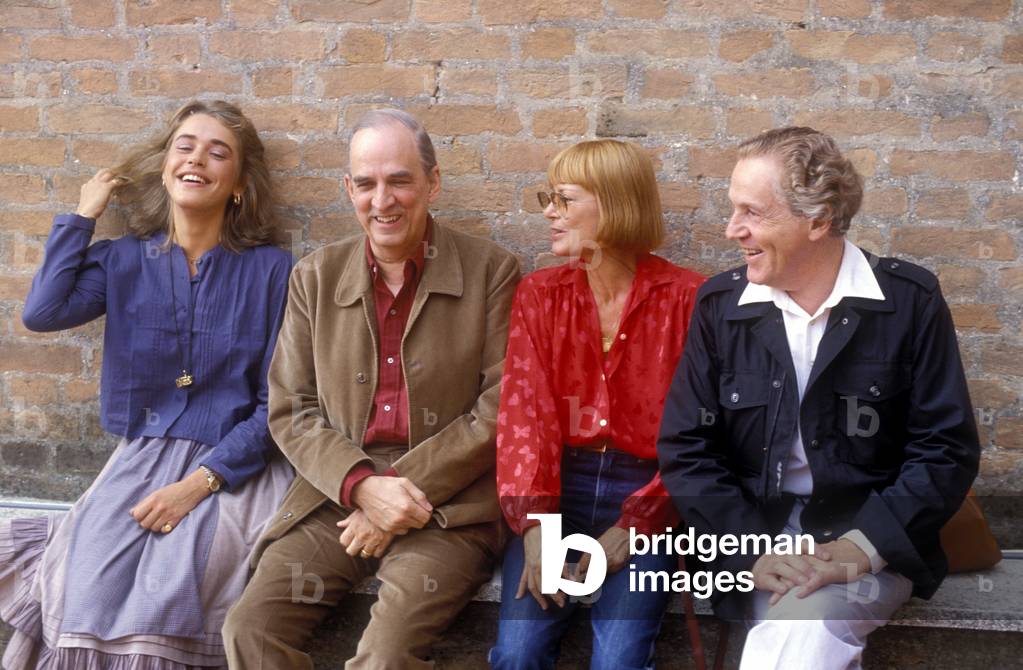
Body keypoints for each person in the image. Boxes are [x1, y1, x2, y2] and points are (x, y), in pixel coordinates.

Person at [657, 126, 979, 670]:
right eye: (734, 209)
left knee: (804, 628)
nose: (733, 230)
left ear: (819, 220)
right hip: (754, 531)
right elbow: (687, 448)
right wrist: (750, 548)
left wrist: (863, 546)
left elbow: (945, 450)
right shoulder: (721, 307)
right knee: (800, 632)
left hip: (873, 531)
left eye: (752, 212)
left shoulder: (908, 302)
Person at [222, 108, 520, 669]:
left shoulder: (491, 271)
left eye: (400, 180)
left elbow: (500, 408)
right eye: (366, 183)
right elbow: (291, 408)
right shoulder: (315, 276)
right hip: (336, 496)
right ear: (349, 189)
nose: (382, 200)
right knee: (250, 629)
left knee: (385, 655)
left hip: (446, 507)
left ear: (433, 182)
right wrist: (362, 486)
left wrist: (396, 492)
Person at [0, 100, 294, 668]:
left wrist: (200, 484)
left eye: (218, 152)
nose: (197, 159)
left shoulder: (272, 271)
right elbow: (43, 311)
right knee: (82, 585)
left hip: (234, 465)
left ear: (236, 183)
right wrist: (84, 215)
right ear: (165, 166)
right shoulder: (122, 260)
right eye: (184, 145)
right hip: (138, 458)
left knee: (171, 591)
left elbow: (277, 404)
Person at [490, 139, 705, 670]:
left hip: (651, 494)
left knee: (619, 660)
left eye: (563, 199)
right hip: (559, 488)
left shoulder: (689, 299)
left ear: (613, 204)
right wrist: (537, 527)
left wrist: (634, 525)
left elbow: (700, 435)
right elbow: (524, 419)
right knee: (516, 655)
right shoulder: (540, 296)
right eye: (549, 197)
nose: (548, 212)